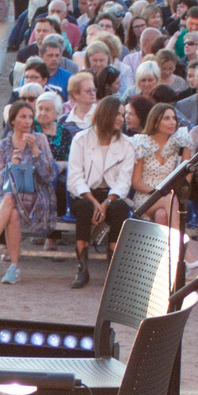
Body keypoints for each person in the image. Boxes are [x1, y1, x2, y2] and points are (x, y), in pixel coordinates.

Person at [0, 99, 59, 285]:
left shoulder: (40, 140)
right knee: (11, 209)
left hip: (36, 197)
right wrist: (12, 166)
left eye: (29, 117)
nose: (27, 121)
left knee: (10, 200)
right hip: (10, 199)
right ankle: (14, 268)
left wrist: (35, 151)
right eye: (23, 117)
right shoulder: (3, 146)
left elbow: (49, 175)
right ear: (13, 121)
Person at [64, 94, 135, 289]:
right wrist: (95, 202)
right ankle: (82, 268)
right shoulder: (81, 139)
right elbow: (75, 178)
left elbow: (123, 182)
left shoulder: (127, 144)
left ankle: (113, 270)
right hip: (86, 193)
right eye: (117, 115)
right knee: (86, 208)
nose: (122, 119)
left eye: (123, 115)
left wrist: (106, 203)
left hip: (111, 194)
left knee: (120, 209)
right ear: (105, 115)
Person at [126, 99, 190, 233]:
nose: (172, 122)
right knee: (169, 200)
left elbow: (187, 174)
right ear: (155, 121)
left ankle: (168, 252)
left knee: (162, 215)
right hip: (146, 196)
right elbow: (136, 182)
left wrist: (187, 148)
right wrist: (158, 193)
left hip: (168, 198)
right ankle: (179, 246)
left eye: (174, 118)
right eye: (166, 118)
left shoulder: (178, 141)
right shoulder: (142, 142)